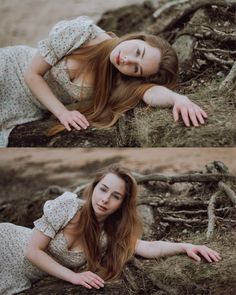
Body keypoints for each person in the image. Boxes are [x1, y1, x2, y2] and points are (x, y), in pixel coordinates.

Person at [0, 164, 221, 294]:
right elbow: (33, 251)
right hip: (6, 244)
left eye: (115, 196)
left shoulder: (108, 236)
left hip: (21, 277)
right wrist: (73, 277)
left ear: (122, 204)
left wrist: (186, 246)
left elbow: (146, 246)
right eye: (103, 189)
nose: (105, 199)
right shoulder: (67, 206)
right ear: (94, 187)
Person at [0, 16, 207, 147]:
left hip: (26, 107)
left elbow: (150, 92)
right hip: (12, 69)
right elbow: (32, 74)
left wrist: (178, 99)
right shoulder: (84, 32)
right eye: (137, 51)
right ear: (139, 38)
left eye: (136, 68)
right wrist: (63, 113)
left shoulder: (117, 81)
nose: (127, 60)